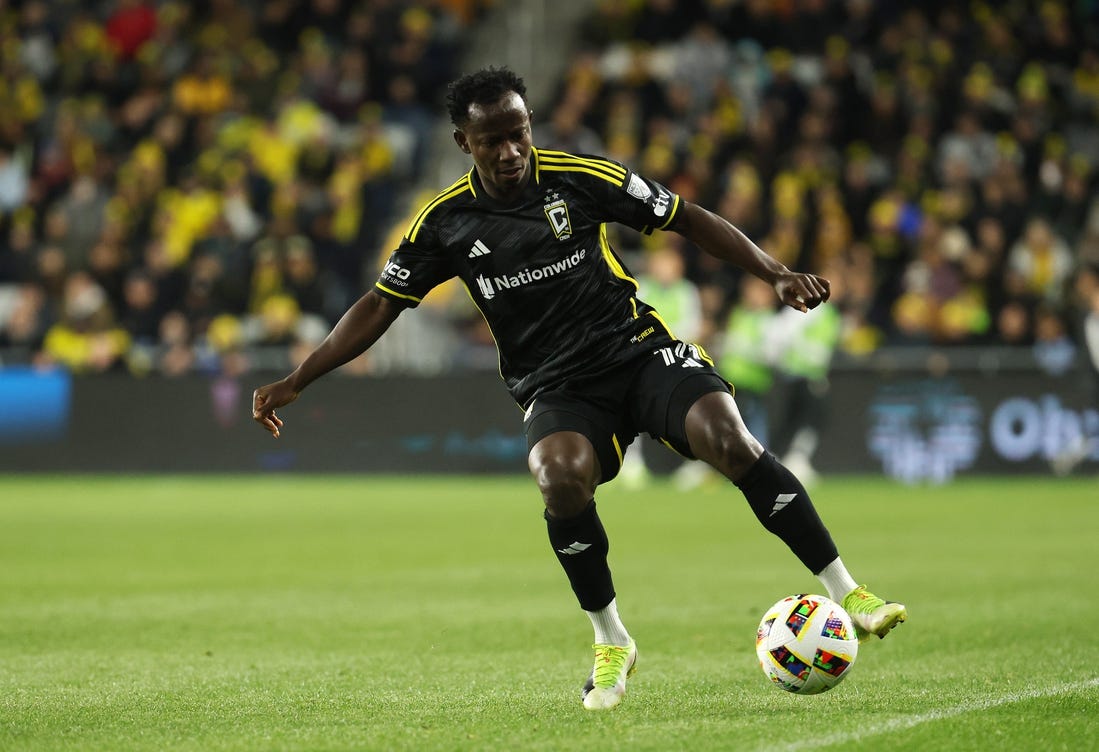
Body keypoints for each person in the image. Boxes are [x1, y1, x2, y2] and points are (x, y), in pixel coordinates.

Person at [252, 67, 906, 711]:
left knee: (727, 438)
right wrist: (297, 378)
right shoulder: (444, 224)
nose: (510, 151)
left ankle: (847, 591)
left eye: (519, 133)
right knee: (557, 477)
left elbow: (685, 217)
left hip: (635, 351)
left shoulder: (581, 177)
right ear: (463, 144)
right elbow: (379, 304)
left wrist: (774, 272)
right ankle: (611, 639)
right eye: (492, 141)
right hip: (555, 384)